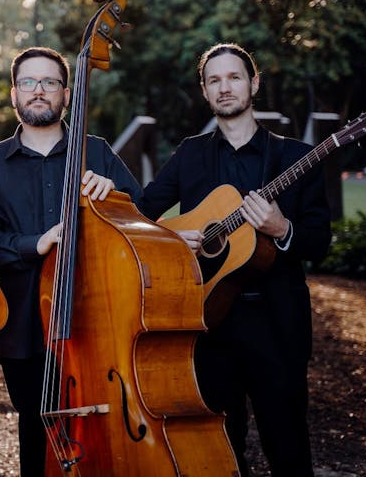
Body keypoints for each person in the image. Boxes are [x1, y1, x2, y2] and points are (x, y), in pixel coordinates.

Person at [138, 43, 331, 476]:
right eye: (214, 80)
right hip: (209, 324)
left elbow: (320, 241)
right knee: (219, 451)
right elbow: (142, 213)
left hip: (278, 322)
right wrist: (173, 241)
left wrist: (282, 229)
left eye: (234, 77)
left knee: (288, 446)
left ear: (254, 83)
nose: (225, 88)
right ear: (205, 92)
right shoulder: (190, 154)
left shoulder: (295, 157)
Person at [0, 46, 144, 476]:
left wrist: (115, 196)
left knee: (105, 426)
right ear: (13, 94)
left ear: (66, 94)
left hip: (98, 323)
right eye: (29, 82)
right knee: (36, 428)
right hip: (25, 325)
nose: (39, 91)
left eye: (49, 82)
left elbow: (142, 222)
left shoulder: (97, 154)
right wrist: (34, 243)